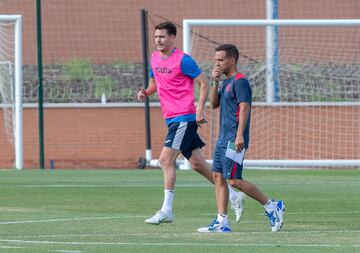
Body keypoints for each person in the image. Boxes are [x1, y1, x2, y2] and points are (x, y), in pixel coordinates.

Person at [137, 22, 245, 225]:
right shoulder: (154, 58)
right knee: (197, 164)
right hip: (171, 119)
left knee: (165, 160)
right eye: (156, 37)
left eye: (162, 37)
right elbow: (154, 84)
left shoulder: (183, 60)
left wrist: (199, 108)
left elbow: (204, 81)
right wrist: (145, 93)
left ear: (172, 38)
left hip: (184, 118)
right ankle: (232, 194)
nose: (158, 40)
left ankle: (166, 210)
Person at [197, 44, 285, 233]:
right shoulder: (226, 82)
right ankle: (222, 222)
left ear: (232, 60)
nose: (217, 63)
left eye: (221, 60)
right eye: (215, 60)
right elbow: (213, 104)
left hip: (233, 139)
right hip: (222, 138)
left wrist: (239, 136)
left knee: (234, 181)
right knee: (217, 176)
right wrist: (215, 80)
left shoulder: (240, 82)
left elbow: (245, 108)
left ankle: (272, 206)